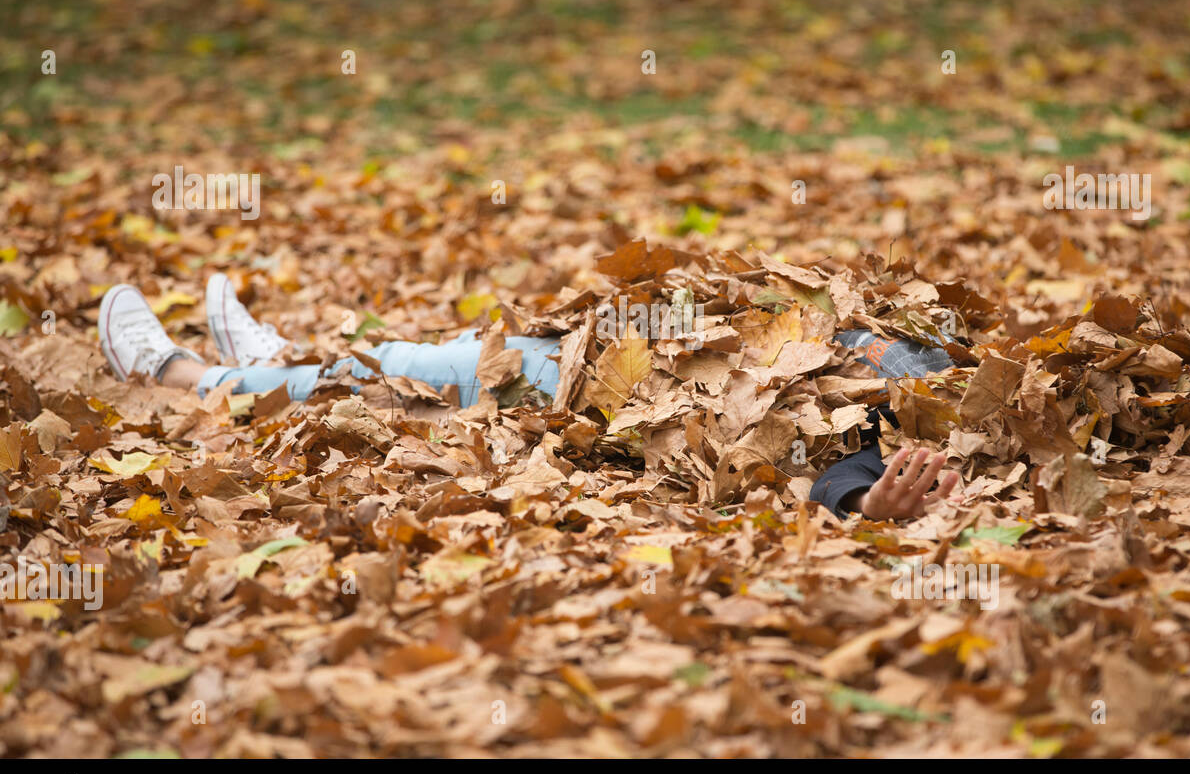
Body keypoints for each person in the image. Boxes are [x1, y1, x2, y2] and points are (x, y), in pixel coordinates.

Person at [97, 276, 961, 521]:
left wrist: (867, 504)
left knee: (400, 370)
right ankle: (277, 361)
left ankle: (176, 375)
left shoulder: (907, 426)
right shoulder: (949, 358)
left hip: (585, 394)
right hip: (620, 350)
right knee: (401, 365)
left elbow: (839, 470)